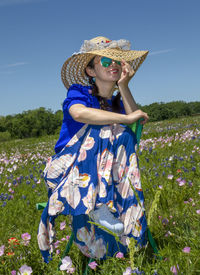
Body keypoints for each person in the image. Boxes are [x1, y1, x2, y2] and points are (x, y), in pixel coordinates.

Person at [37, 36, 149, 263]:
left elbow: (135, 122)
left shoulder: (117, 102)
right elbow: (78, 113)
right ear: (90, 71)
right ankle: (99, 205)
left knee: (124, 132)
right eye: (107, 61)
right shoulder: (79, 93)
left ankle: (124, 209)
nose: (115, 66)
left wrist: (124, 87)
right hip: (70, 171)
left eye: (118, 62)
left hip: (109, 173)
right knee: (105, 129)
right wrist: (124, 118)